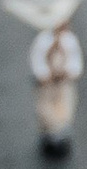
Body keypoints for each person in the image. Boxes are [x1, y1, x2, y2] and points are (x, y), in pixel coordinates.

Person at [28, 16, 82, 160]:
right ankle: (49, 138)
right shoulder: (43, 40)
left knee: (64, 110)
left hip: (63, 82)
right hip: (48, 84)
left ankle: (61, 138)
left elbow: (75, 61)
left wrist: (68, 73)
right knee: (46, 111)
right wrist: (45, 75)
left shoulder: (69, 40)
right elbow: (37, 59)